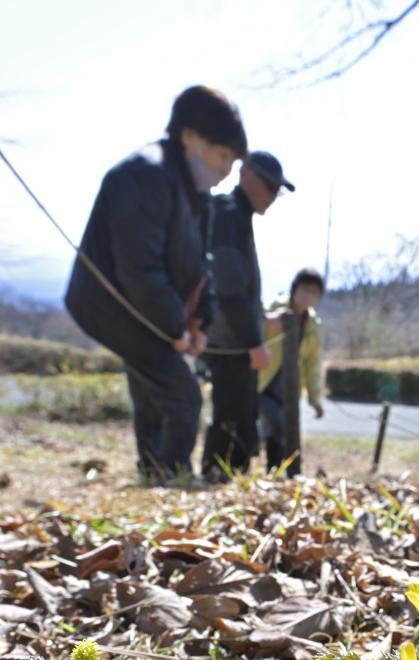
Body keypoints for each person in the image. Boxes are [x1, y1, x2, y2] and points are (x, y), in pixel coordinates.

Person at [65, 86, 247, 482]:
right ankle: (172, 479)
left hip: (149, 307)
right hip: (112, 302)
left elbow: (201, 266)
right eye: (222, 157)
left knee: (154, 389)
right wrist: (175, 327)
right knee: (182, 393)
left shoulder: (195, 193)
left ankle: (153, 472)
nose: (225, 171)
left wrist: (200, 319)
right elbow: (139, 270)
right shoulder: (144, 176)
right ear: (190, 137)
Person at [201, 151, 294, 481]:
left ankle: (227, 476)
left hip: (237, 337)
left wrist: (262, 321)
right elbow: (228, 287)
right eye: (270, 187)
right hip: (229, 343)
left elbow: (241, 290)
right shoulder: (227, 214)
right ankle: (218, 476)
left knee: (240, 414)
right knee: (233, 415)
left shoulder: (239, 218)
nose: (272, 196)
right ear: (246, 176)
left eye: (276, 191)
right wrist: (254, 340)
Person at [258, 268, 326, 473]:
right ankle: (275, 469)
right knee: (276, 424)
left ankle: (278, 471)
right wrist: (269, 321)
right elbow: (257, 328)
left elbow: (312, 364)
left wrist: (315, 398)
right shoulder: (274, 309)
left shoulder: (313, 326)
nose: (308, 296)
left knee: (283, 429)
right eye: (305, 289)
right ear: (295, 289)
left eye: (314, 292)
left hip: (289, 387)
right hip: (262, 381)